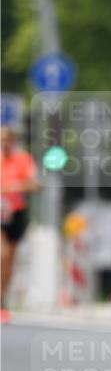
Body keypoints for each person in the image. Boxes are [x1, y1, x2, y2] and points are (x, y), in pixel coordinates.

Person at [0, 126, 40, 321]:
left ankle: (2, 300)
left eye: (8, 140)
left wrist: (15, 186)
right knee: (2, 253)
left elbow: (34, 184)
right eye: (2, 140)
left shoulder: (23, 159)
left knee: (9, 259)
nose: (5, 144)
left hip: (15, 212)